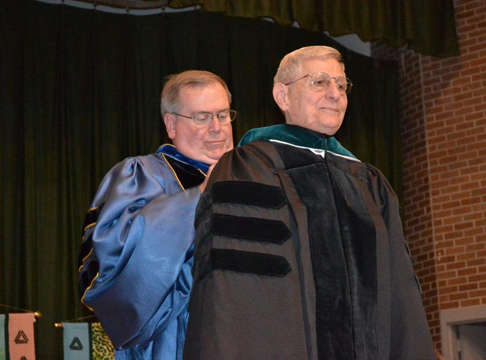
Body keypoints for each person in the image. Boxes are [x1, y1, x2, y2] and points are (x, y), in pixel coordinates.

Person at [184, 46, 434, 360]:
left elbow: (400, 296)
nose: (335, 94)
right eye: (319, 82)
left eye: (341, 85)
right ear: (282, 96)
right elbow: (232, 293)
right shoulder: (246, 168)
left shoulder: (370, 181)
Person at [78, 70, 235, 359]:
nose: (218, 128)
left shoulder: (251, 179)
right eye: (202, 117)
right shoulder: (140, 175)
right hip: (171, 343)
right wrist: (198, 196)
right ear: (171, 124)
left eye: (223, 115)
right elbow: (109, 263)